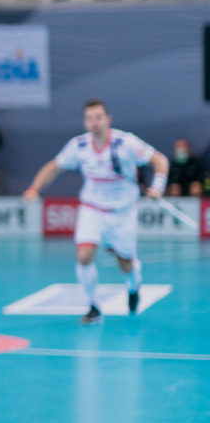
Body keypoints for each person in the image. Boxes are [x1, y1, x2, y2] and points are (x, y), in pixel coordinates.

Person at [22, 99, 170, 324]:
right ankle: (93, 307)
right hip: (92, 209)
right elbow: (54, 167)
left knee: (126, 263)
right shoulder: (78, 146)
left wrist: (158, 187)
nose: (94, 123)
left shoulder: (126, 142)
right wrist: (34, 188)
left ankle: (133, 284)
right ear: (85, 121)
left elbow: (160, 161)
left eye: (98, 118)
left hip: (122, 213)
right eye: (90, 118)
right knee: (84, 256)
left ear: (107, 119)